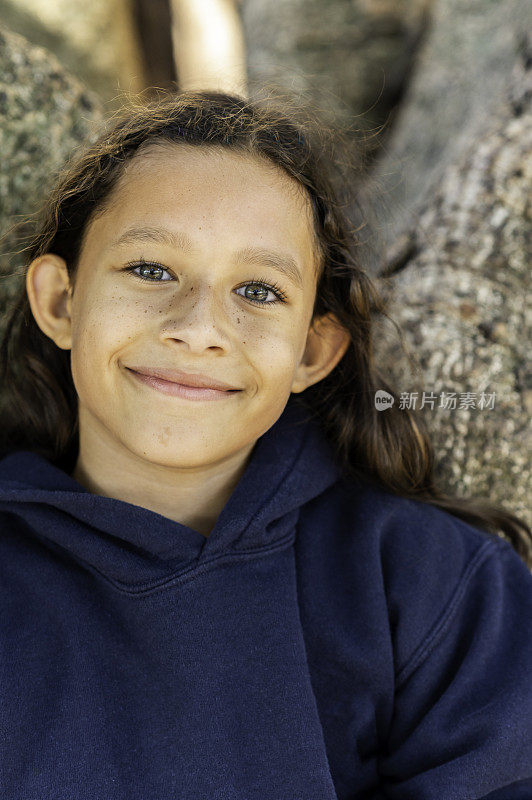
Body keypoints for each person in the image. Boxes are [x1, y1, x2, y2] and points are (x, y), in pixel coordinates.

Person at [0, 90, 530, 799]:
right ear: (61, 302)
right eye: (152, 269)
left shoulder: (431, 586)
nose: (198, 327)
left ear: (315, 350)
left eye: (257, 290)